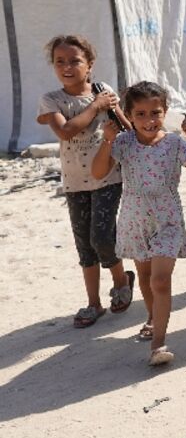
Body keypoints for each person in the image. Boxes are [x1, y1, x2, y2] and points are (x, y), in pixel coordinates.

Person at [92, 81, 186, 366]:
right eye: (141, 114)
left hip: (167, 218)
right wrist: (107, 140)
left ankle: (159, 343)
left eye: (155, 112)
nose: (149, 120)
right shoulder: (123, 143)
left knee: (160, 280)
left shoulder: (173, 143)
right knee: (144, 277)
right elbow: (97, 173)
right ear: (129, 115)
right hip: (134, 218)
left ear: (165, 112)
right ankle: (151, 316)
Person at [37, 35, 135, 329]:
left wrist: (118, 115)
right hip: (75, 182)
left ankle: (121, 280)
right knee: (85, 247)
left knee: (102, 237)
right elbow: (66, 131)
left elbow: (125, 127)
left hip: (108, 176)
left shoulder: (103, 90)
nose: (67, 66)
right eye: (60, 62)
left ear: (89, 64)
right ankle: (94, 304)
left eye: (75, 60)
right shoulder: (52, 100)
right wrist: (96, 106)